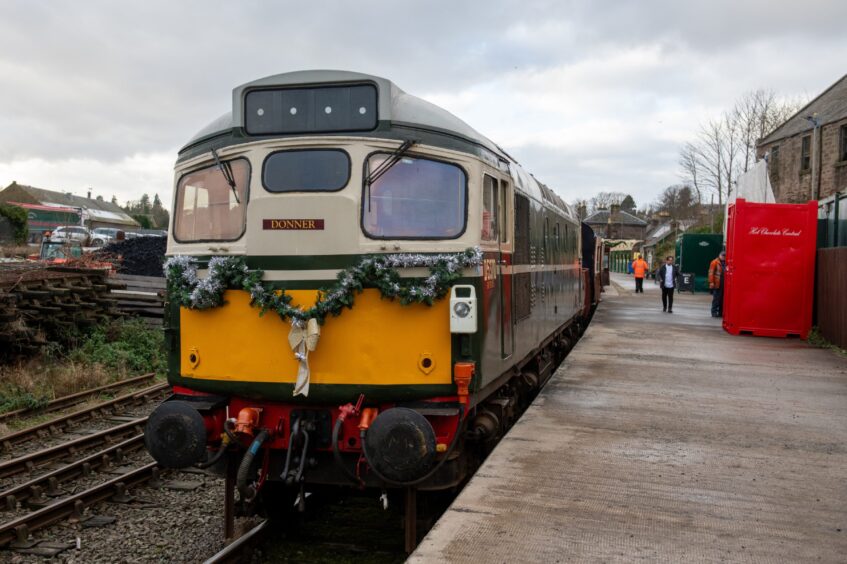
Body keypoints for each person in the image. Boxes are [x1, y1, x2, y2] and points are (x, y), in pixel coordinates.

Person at [708, 250, 726, 318]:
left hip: (724, 284)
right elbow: (711, 273)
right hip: (717, 283)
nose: (724, 257)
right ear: (719, 255)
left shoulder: (726, 262)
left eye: (725, 256)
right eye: (723, 255)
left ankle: (720, 313)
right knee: (716, 299)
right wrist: (711, 282)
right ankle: (714, 312)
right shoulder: (714, 262)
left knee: (722, 299)